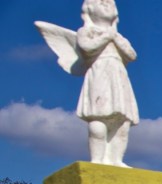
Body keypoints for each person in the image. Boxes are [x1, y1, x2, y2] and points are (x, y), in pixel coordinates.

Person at [37, 0, 139, 166]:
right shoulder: (86, 31)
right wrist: (108, 36)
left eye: (110, 3)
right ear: (89, 10)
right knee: (98, 121)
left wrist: (114, 36)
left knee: (122, 123)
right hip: (100, 73)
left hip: (118, 76)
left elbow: (132, 55)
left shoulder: (118, 37)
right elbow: (87, 48)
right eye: (101, 2)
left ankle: (116, 159)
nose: (107, 4)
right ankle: (98, 160)